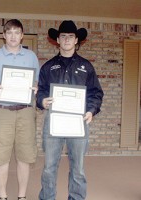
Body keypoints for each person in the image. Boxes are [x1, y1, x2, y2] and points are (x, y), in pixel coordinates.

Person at [36, 20, 104, 200]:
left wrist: (91, 110)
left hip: (78, 122)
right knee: (49, 167)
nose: (67, 39)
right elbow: (40, 90)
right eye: (63, 36)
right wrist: (42, 100)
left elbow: (96, 92)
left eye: (70, 36)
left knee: (78, 168)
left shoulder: (86, 67)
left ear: (76, 40)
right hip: (53, 122)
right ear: (57, 39)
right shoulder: (48, 67)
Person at [0, 19, 39, 200]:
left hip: (25, 111)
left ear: (22, 35)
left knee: (24, 155)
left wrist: (36, 88)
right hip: (2, 111)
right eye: (9, 32)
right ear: (4, 35)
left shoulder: (31, 57)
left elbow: (37, 82)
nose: (13, 36)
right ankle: (3, 196)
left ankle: (22, 196)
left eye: (17, 32)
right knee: (1, 155)